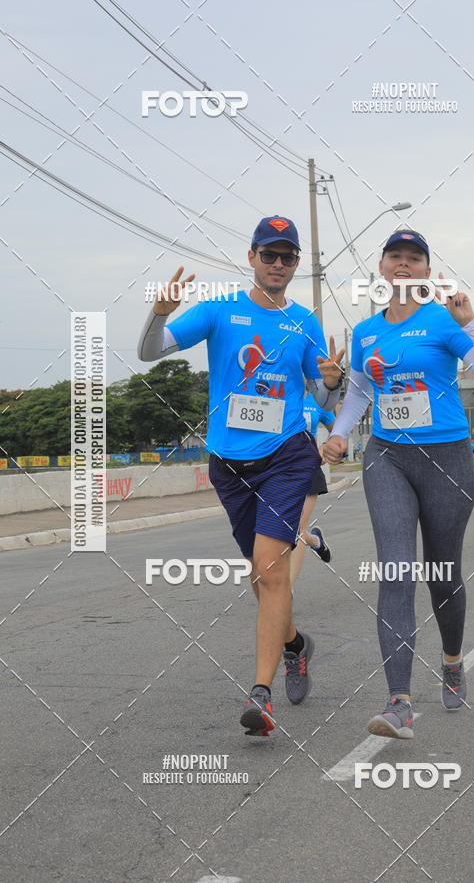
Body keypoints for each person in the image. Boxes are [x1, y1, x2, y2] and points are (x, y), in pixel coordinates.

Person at [137, 215, 344, 736]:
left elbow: (320, 396)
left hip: (287, 454)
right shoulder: (218, 310)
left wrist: (334, 385)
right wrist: (157, 314)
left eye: (288, 256)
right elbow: (149, 351)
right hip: (229, 462)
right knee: (263, 576)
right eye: (269, 254)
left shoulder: (305, 322)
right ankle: (296, 645)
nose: (278, 264)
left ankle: (261, 695)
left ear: (296, 264)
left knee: (270, 569)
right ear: (251, 257)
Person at [322, 230, 474, 739]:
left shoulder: (444, 319)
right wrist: (335, 435)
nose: (403, 263)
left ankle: (453, 659)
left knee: (443, 573)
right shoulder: (367, 332)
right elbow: (357, 395)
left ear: (425, 270)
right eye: (395, 256)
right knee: (396, 569)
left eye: (413, 257)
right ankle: (398, 702)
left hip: (447, 459)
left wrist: (473, 324)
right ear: (381, 266)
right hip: (387, 457)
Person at [288, 388, 336, 594]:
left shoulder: (317, 400)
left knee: (296, 530)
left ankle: (284, 593)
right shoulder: (277, 394)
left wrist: (326, 447)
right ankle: (316, 541)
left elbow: (337, 430)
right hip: (275, 471)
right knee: (280, 530)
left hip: (307, 467)